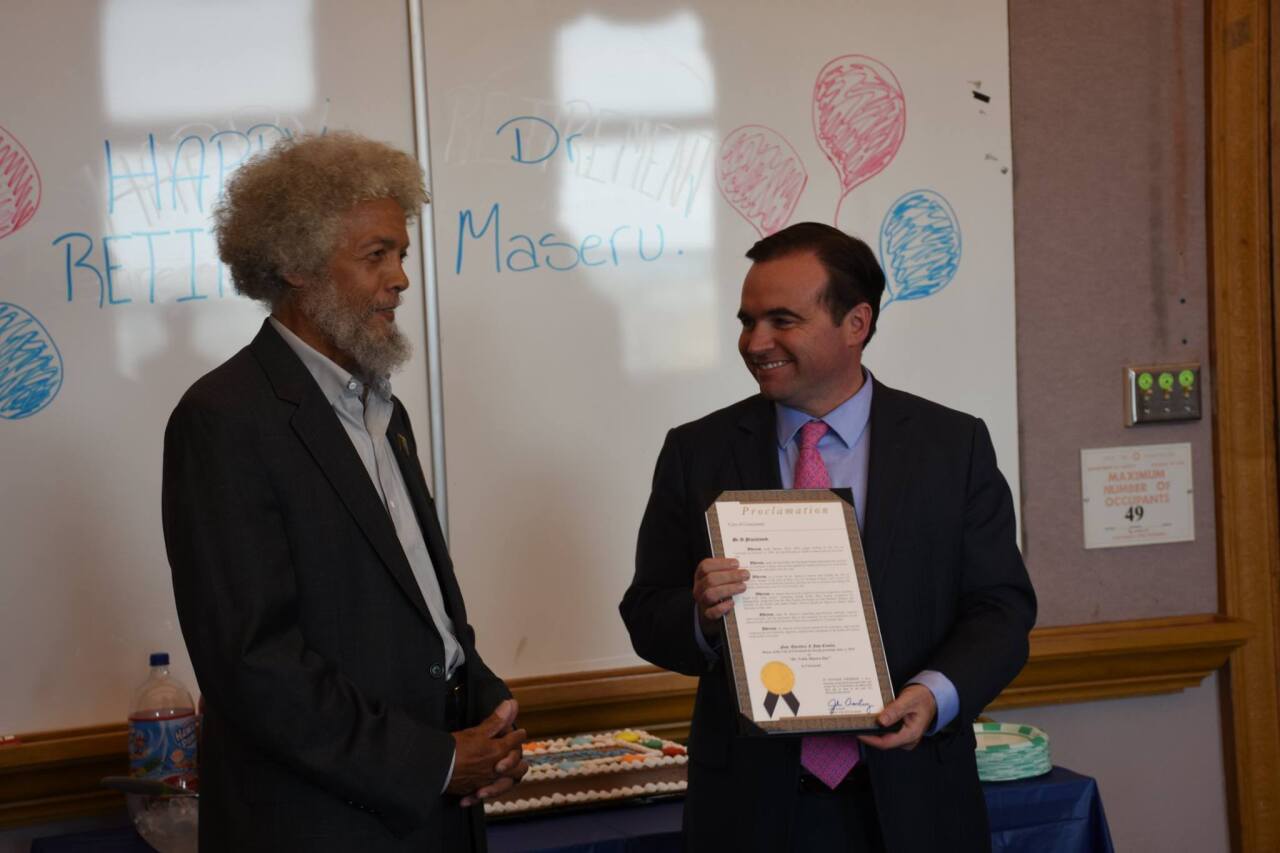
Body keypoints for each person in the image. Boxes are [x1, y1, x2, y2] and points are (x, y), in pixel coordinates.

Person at [620, 222, 1036, 852]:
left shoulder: (953, 446)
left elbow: (1001, 610)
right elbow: (647, 612)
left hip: (916, 799)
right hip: (751, 811)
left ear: (856, 323)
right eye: (747, 321)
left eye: (781, 320)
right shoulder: (696, 451)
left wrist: (934, 695)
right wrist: (701, 618)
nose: (755, 342)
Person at [162, 132, 525, 852]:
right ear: (295, 264)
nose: (401, 279)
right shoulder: (223, 419)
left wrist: (488, 705)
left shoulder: (385, 413)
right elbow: (254, 664)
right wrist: (436, 762)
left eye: (402, 254)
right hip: (320, 827)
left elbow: (419, 613)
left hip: (435, 816)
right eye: (376, 255)